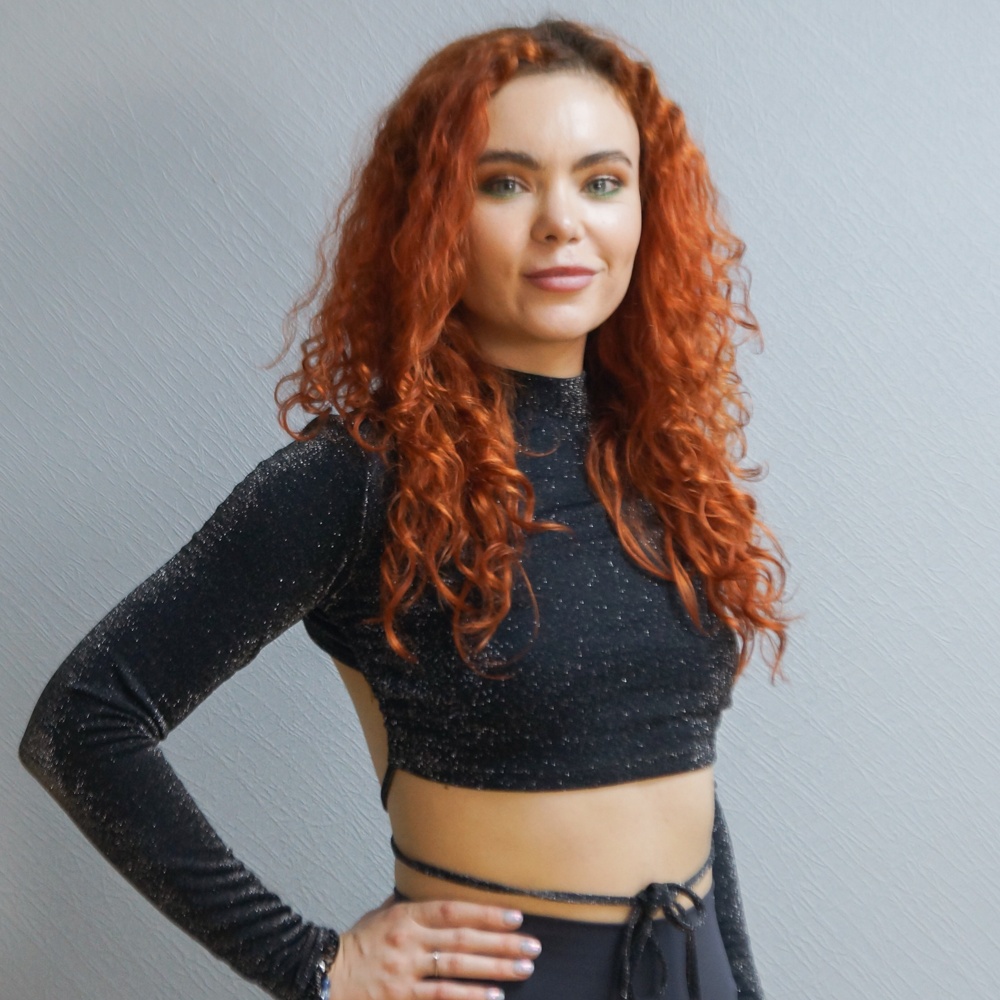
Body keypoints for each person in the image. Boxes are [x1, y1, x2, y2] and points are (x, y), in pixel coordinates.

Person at [19, 18, 789, 1000]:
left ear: (649, 209)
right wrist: (311, 963)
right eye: (505, 183)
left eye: (602, 181)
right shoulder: (361, 479)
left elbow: (678, 779)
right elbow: (82, 723)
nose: (562, 222)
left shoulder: (661, 463)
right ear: (433, 217)